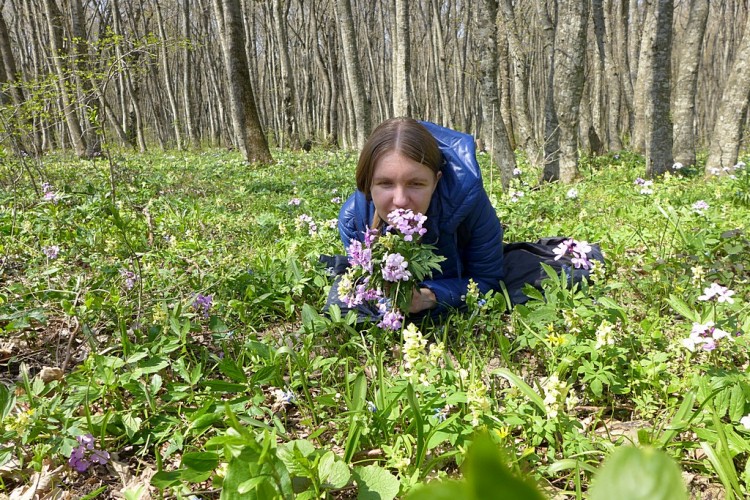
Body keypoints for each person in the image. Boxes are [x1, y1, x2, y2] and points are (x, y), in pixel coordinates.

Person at [333, 117, 505, 317]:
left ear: (436, 181)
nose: (400, 200)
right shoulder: (354, 219)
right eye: (385, 183)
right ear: (368, 184)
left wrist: (429, 297)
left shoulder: (469, 204)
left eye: (416, 184)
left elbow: (488, 281)